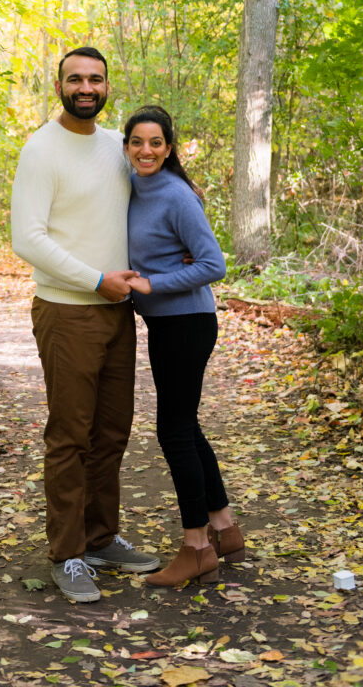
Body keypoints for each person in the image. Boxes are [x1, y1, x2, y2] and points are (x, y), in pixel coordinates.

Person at [10, 47, 160, 603]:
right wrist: (95, 278)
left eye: (95, 78)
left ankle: (101, 538)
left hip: (118, 312)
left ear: (107, 84)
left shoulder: (114, 147)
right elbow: (28, 238)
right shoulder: (41, 149)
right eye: (75, 78)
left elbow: (146, 193)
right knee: (70, 436)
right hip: (68, 312)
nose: (86, 86)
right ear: (59, 84)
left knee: (111, 435)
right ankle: (68, 554)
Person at [122, 105, 245, 588]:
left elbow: (213, 264)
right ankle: (224, 528)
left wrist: (153, 285)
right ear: (126, 146)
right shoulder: (132, 186)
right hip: (169, 324)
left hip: (187, 322)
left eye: (156, 142)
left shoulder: (175, 195)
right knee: (185, 426)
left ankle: (196, 548)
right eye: (136, 142)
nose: (146, 150)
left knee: (173, 431)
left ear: (169, 148)